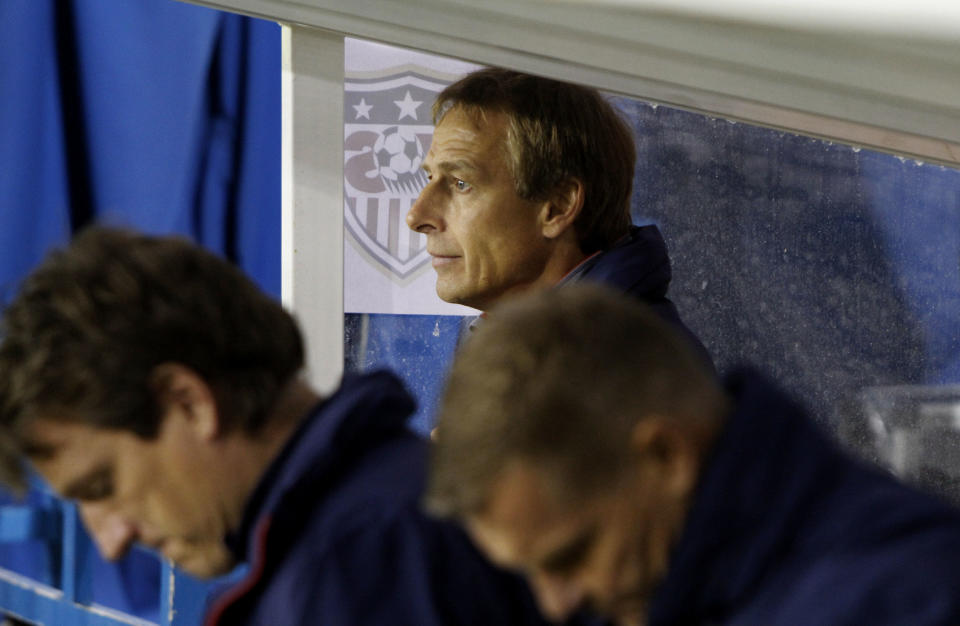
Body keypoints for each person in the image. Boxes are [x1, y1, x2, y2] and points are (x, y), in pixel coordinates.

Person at [0, 227, 554, 626]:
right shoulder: (387, 506)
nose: (112, 541)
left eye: (104, 487)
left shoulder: (356, 566)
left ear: (188, 402)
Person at [425, 284, 960, 626]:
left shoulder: (915, 598)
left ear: (666, 456)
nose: (556, 605)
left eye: (571, 555)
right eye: (529, 573)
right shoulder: (661, 580)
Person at [406, 67, 710, 364]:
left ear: (558, 206)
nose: (416, 216)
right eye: (429, 178)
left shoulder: (626, 372)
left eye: (461, 183)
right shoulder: (554, 352)